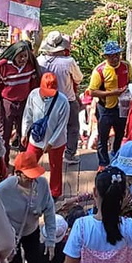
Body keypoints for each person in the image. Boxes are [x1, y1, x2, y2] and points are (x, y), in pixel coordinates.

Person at [0, 151, 56, 263]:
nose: (32, 179)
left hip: (32, 229)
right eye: (28, 176)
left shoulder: (41, 184)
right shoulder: (3, 190)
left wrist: (51, 239)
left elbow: (49, 210)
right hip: (11, 232)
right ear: (18, 173)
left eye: (34, 175)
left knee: (35, 260)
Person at [0, 41, 41, 164]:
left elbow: (34, 85)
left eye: (25, 56)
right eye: (20, 56)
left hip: (24, 103)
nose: (23, 59)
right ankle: (3, 163)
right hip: (7, 103)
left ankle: (23, 163)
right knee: (4, 135)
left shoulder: (30, 65)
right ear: (13, 55)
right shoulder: (3, 66)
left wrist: (34, 104)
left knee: (24, 133)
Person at [22, 73, 70, 200]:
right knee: (28, 163)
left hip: (57, 141)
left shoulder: (63, 101)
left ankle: (55, 193)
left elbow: (62, 125)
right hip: (36, 138)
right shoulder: (33, 95)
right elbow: (28, 114)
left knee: (55, 166)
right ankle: (25, 188)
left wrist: (51, 143)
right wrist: (24, 133)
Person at [38, 31, 83, 165]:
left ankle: (43, 149)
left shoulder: (39, 61)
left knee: (47, 125)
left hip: (46, 101)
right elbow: (79, 78)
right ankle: (69, 154)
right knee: (72, 127)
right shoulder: (69, 62)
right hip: (68, 100)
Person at [89, 41, 132, 169]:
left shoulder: (126, 66)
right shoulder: (99, 71)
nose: (114, 58)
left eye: (116, 55)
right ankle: (103, 163)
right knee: (103, 136)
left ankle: (116, 155)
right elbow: (92, 92)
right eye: (111, 56)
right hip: (105, 109)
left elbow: (131, 81)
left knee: (120, 133)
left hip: (122, 107)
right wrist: (112, 93)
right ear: (106, 56)